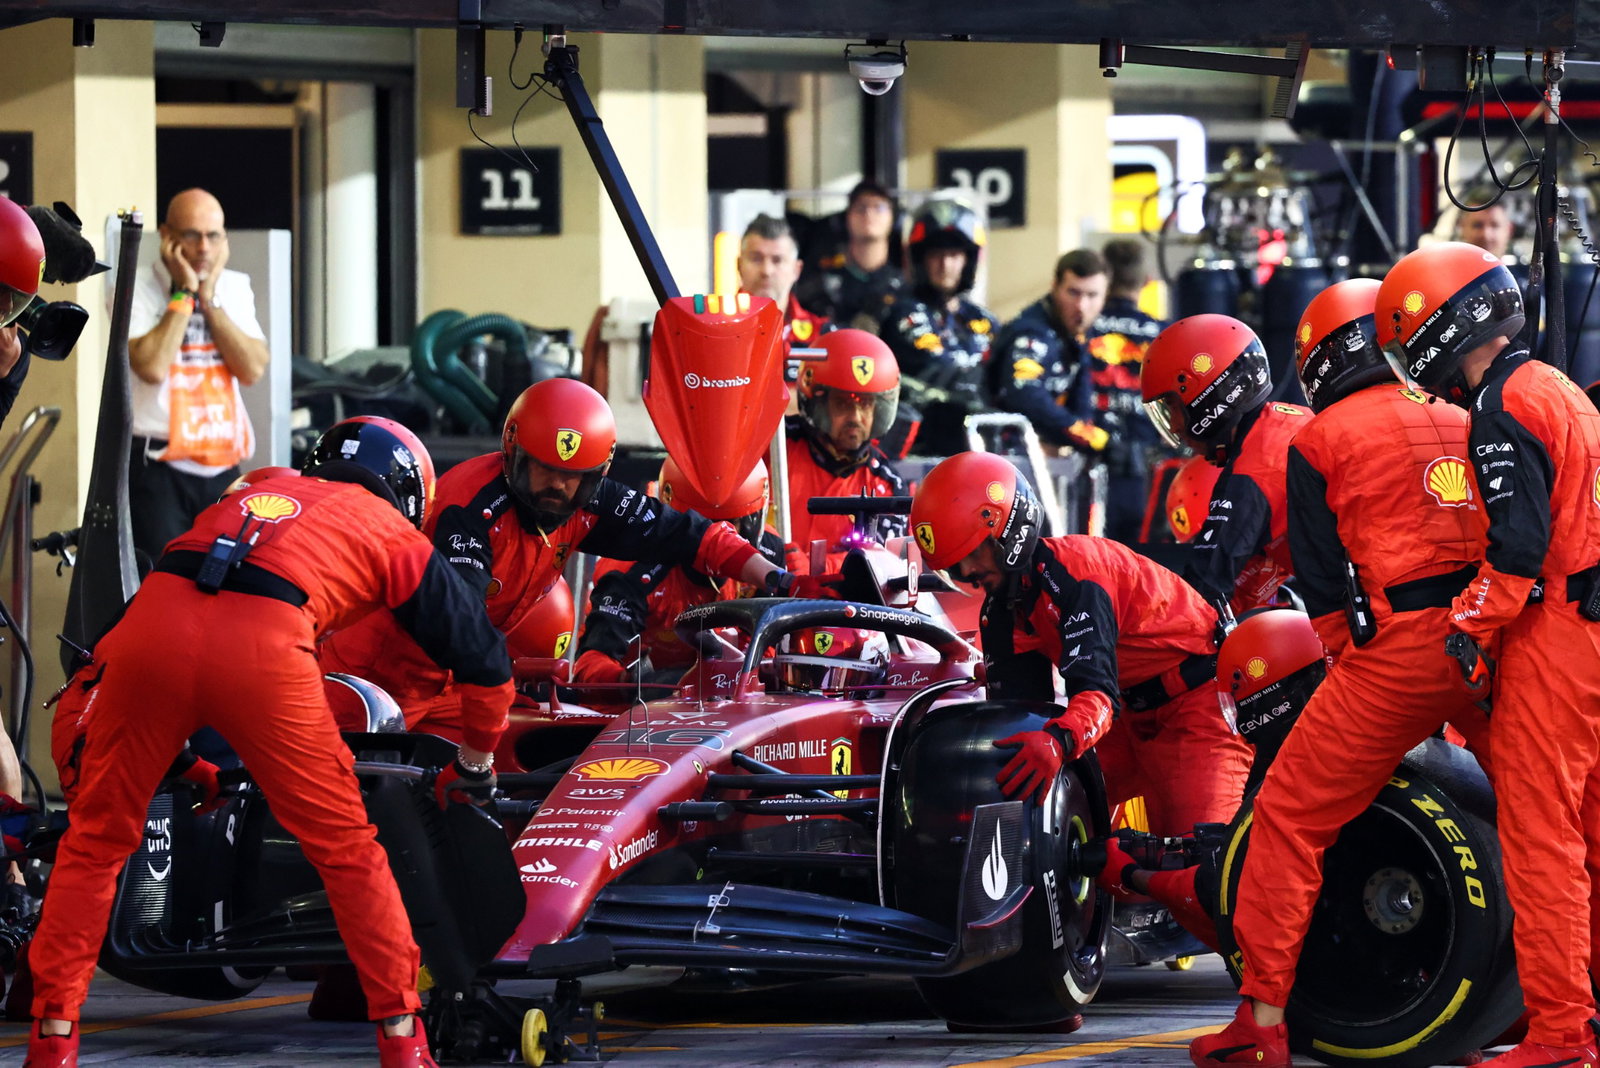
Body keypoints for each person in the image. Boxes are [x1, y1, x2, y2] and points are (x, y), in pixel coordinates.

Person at [22, 417, 514, 1068]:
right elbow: (483, 655)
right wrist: (475, 762)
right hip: (265, 643)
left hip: (150, 626)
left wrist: (181, 762)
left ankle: (51, 1042)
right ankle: (404, 1043)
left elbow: (149, 643)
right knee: (347, 850)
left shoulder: (248, 494)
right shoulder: (388, 527)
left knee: (92, 845)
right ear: (411, 497)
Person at [1190, 277, 1496, 1067]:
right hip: (1498, 641)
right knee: (1547, 823)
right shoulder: (1464, 415)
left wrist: (1355, 686)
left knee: (1289, 820)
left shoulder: (1317, 441)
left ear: (1322, 358)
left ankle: (1261, 1024)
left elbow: (1327, 597)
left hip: (1399, 650)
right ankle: (1575, 1009)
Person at [1374, 241, 1600, 1068]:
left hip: (1552, 644)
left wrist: (1467, 624)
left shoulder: (1502, 406)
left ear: (1436, 329)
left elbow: (1517, 549)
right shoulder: (1557, 388)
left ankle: (1563, 1035)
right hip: (1594, 632)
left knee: (1543, 847)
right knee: (1592, 838)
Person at [319, 378, 826, 740]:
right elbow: (459, 624)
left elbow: (684, 533)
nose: (558, 486)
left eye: (575, 475)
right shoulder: (468, 509)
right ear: (513, 450)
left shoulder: (585, 500)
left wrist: (775, 578)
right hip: (371, 686)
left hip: (451, 686)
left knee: (559, 749)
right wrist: (510, 672)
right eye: (544, 470)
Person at [908, 450, 1251, 837]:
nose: (967, 572)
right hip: (1127, 717)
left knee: (1199, 866)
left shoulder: (1079, 574)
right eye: (955, 565)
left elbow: (1097, 696)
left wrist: (1057, 741)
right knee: (1030, 790)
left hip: (1198, 707)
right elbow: (1022, 719)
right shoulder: (1001, 612)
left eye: (972, 553)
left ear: (1004, 528)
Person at [125, 188, 270, 569]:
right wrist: (185, 293)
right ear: (167, 236)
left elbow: (253, 368)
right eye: (192, 235)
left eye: (214, 236)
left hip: (221, 464)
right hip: (157, 465)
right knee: (162, 583)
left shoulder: (234, 287)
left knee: (223, 581)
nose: (204, 248)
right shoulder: (135, 286)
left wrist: (209, 299)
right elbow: (152, 365)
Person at [1141, 314, 1313, 615]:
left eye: (1171, 406)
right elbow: (1248, 581)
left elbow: (1206, 587)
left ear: (1204, 396)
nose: (1174, 426)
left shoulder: (1252, 469)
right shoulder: (1290, 419)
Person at [573, 456, 784, 692]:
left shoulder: (768, 556)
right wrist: (634, 683)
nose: (724, 538)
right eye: (703, 524)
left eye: (733, 525)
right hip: (643, 710)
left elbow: (769, 644)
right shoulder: (633, 572)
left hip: (732, 701)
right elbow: (587, 670)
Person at [879, 198, 997, 456]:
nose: (946, 265)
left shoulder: (983, 319)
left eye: (954, 255)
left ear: (969, 259)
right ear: (920, 259)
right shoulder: (903, 312)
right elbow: (945, 366)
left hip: (981, 447)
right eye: (937, 255)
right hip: (920, 452)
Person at [785, 328, 907, 561]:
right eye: (843, 404)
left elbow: (884, 563)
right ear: (817, 403)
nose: (855, 417)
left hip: (842, 598)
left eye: (866, 405)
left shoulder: (887, 485)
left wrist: (816, 567)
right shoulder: (775, 448)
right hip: (766, 591)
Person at [990, 249, 1110, 462]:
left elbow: (1081, 403)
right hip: (1002, 457)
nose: (1081, 306)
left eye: (1092, 295)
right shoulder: (1032, 332)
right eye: (1073, 292)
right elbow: (1025, 394)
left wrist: (1092, 438)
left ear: (1104, 297)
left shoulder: (1076, 334)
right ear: (1054, 287)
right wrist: (1091, 439)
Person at [1091, 239, 1172, 543]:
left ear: (1104, 277)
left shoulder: (1084, 327)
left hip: (1091, 466)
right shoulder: (1164, 334)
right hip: (1151, 475)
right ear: (1148, 280)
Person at [794, 180, 905, 331]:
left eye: (879, 207)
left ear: (894, 218)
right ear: (846, 218)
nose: (869, 214)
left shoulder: (902, 284)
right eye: (861, 207)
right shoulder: (822, 283)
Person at [736, 214, 830, 347]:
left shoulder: (821, 336)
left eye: (777, 260)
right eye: (756, 258)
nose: (766, 271)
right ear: (739, 266)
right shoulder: (713, 331)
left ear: (796, 270)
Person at [1453, 188, 1516, 262]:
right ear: (1462, 227)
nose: (1486, 235)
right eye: (1477, 225)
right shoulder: (1446, 272)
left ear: (1509, 230)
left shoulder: (1526, 272)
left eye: (1494, 225)